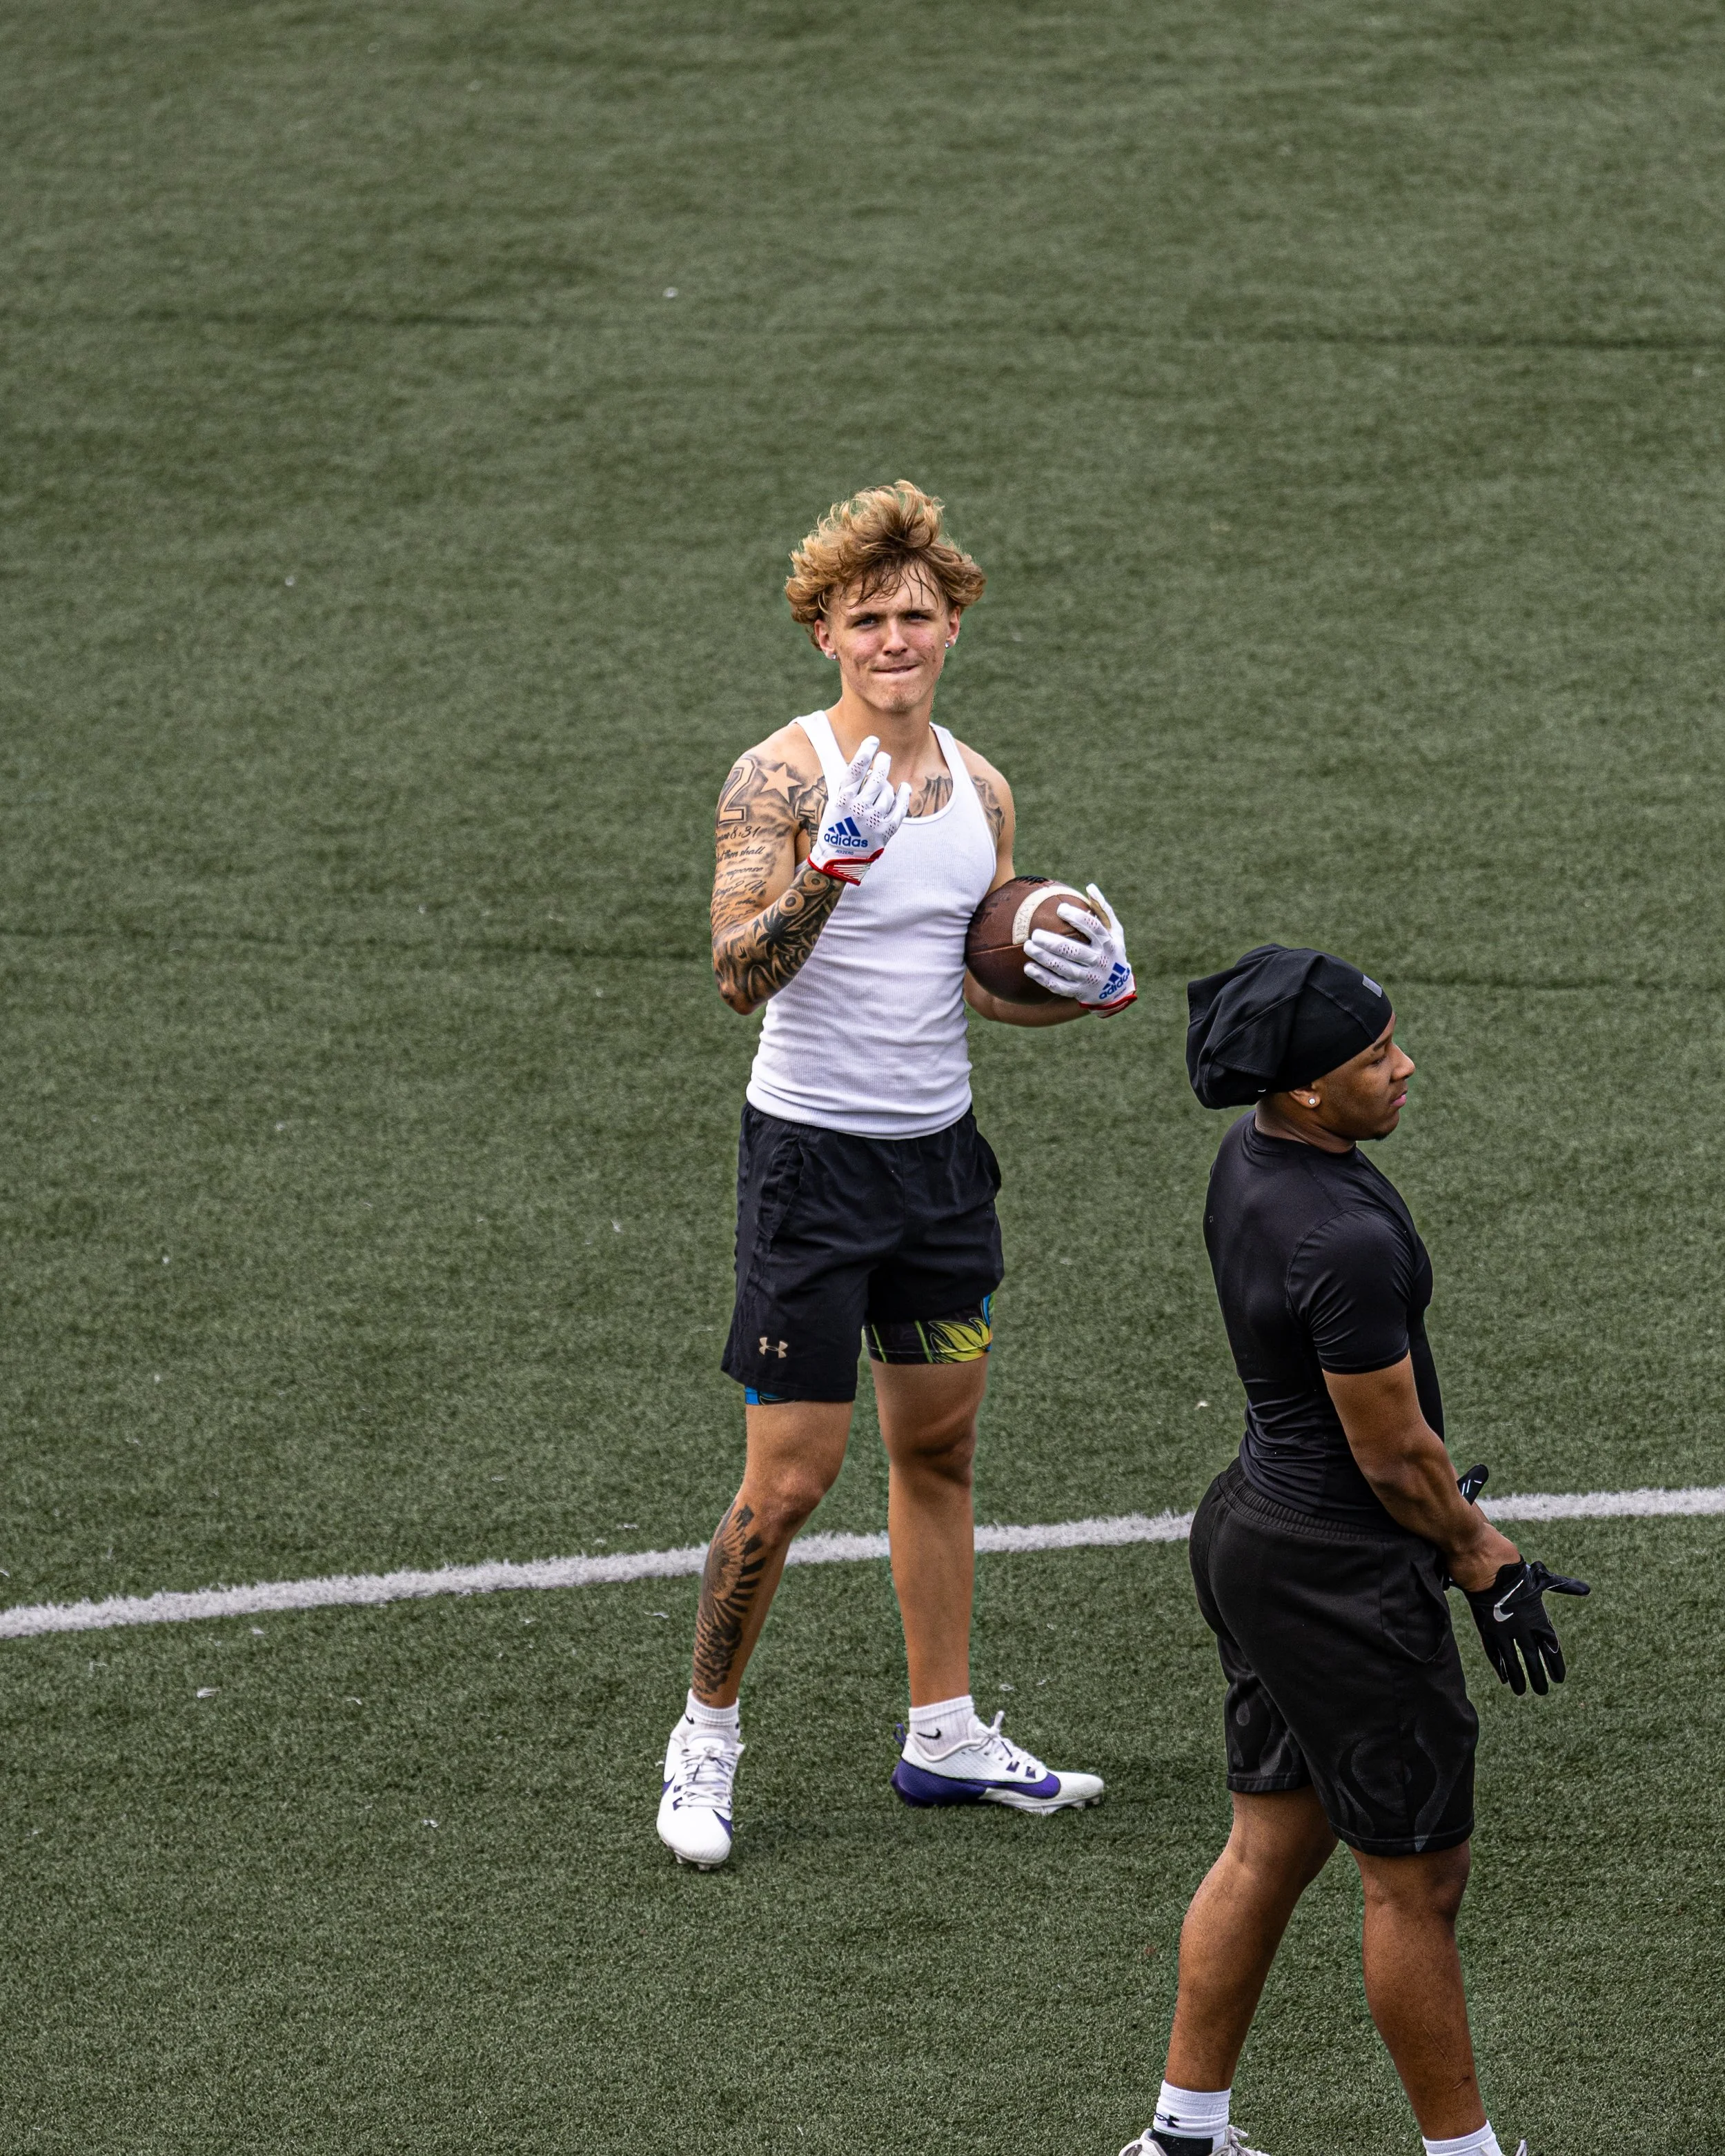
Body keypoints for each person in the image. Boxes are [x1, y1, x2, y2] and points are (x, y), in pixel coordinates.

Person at [656, 481, 1138, 1870]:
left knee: (938, 1450)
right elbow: (736, 972)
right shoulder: (779, 777)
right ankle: (705, 1735)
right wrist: (826, 870)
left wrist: (1087, 989)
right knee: (790, 1481)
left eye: (914, 615)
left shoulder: (981, 790)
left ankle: (944, 1731)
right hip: (809, 1170)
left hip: (939, 1172)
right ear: (823, 632)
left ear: (951, 626)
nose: (892, 639)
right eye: (864, 618)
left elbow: (977, 984)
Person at [1116, 945, 1588, 2156]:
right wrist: (1483, 1556)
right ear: (1305, 1088)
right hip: (1337, 1577)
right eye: (1376, 1057)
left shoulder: (1254, 1159)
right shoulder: (1342, 1237)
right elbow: (1393, 1456)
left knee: (1270, 1843)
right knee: (1417, 1883)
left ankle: (1183, 2136)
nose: (1405, 1066)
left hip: (1255, 1534)